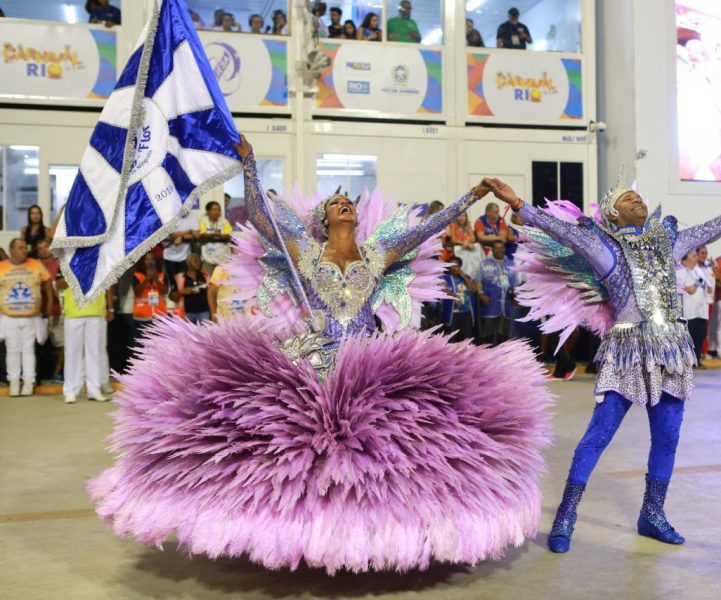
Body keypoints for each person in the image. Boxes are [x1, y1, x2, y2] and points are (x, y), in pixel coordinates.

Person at [88, 136, 551, 573]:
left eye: (348, 201)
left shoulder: (378, 253)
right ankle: (294, 535)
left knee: (382, 452)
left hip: (366, 360)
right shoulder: (304, 254)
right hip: (312, 357)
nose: (344, 203)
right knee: (303, 454)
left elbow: (428, 227)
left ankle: (379, 535)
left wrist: (471, 195)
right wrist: (249, 166)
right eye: (335, 203)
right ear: (325, 218)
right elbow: (263, 220)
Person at [488, 173, 721, 552]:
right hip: (626, 350)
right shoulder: (602, 245)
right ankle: (566, 515)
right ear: (613, 212)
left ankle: (652, 514)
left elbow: (709, 230)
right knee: (598, 435)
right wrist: (518, 205)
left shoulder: (667, 242)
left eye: (639, 196)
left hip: (671, 349)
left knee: (668, 436)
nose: (638, 201)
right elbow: (560, 230)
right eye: (628, 198)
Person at [0, 239, 53, 397]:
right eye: (20, 248)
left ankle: (29, 382)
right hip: (9, 316)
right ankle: (14, 383)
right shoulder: (2, 266)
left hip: (31, 316)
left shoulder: (35, 264)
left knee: (28, 350)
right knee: (12, 350)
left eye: (25, 247)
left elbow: (48, 281)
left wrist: (49, 301)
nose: (24, 250)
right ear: (11, 250)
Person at [58, 272, 110, 404]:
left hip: (96, 311)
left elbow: (109, 283)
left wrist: (110, 308)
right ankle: (71, 391)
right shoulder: (68, 260)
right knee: (72, 353)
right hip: (74, 312)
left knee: (94, 353)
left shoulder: (99, 261)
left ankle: (94, 390)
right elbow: (58, 284)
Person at [677, 249, 714, 368]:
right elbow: (687, 290)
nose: (696, 258)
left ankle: (696, 360)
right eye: (693, 256)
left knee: (700, 334)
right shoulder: (679, 272)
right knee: (689, 336)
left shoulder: (699, 271)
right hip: (687, 310)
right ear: (685, 258)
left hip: (701, 309)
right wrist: (698, 283)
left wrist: (697, 283)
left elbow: (709, 288)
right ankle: (687, 362)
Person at [477, 240, 517, 345]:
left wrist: (516, 298)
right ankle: (485, 358)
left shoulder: (512, 265)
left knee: (504, 335)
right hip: (490, 304)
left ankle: (501, 359)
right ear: (492, 250)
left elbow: (516, 284)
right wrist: (481, 295)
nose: (500, 250)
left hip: (507, 305)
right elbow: (478, 281)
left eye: (502, 247)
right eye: (497, 248)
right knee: (487, 335)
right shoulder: (484, 264)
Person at [36, 240, 63, 383]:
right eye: (40, 248)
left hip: (59, 309)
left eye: (45, 246)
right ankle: (38, 374)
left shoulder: (61, 264)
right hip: (39, 312)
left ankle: (58, 373)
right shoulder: (35, 265)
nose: (43, 250)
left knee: (61, 344)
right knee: (38, 344)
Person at [131, 252, 167, 342]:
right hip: (142, 317)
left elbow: (165, 291)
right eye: (147, 259)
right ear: (143, 262)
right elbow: (137, 292)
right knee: (142, 344)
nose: (149, 261)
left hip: (159, 316)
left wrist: (156, 279)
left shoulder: (161, 275)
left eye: (152, 259)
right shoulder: (137, 276)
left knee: (159, 343)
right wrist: (147, 278)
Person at [441, 256, 477, 342]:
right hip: (453, 315)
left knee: (465, 340)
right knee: (452, 340)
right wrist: (454, 295)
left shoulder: (466, 278)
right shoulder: (445, 278)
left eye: (456, 265)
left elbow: (474, 289)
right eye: (452, 265)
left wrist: (463, 276)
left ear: (460, 266)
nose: (454, 268)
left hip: (466, 313)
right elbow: (443, 290)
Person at [169, 254, 210, 324]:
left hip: (204, 312)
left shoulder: (205, 276)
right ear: (188, 264)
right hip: (187, 314)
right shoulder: (179, 277)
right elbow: (171, 296)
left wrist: (205, 286)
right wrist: (183, 292)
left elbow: (212, 293)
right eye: (195, 261)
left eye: (199, 261)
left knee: (204, 334)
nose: (199, 263)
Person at [163, 210, 199, 284]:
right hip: (169, 255)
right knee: (172, 284)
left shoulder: (191, 214)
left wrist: (181, 237)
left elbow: (196, 235)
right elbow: (172, 235)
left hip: (184, 256)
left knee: (183, 283)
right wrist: (188, 231)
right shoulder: (169, 214)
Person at [199, 201, 233, 275]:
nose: (217, 212)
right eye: (214, 210)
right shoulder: (203, 221)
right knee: (207, 282)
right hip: (208, 258)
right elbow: (203, 234)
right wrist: (216, 234)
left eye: (218, 210)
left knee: (222, 283)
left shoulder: (224, 221)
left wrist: (216, 235)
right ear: (208, 211)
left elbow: (229, 235)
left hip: (222, 258)